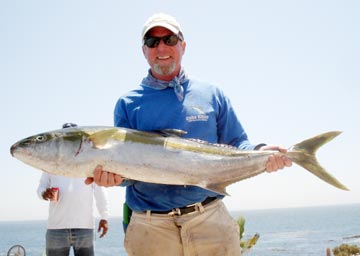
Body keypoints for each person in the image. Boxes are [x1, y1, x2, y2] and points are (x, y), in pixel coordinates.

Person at [85, 13, 292, 256]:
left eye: (170, 39)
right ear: (144, 51)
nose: (161, 47)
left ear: (183, 45)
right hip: (151, 228)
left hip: (209, 220)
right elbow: (128, 169)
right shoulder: (128, 104)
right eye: (152, 42)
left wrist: (260, 153)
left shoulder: (212, 94)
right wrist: (114, 177)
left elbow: (237, 143)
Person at [38, 123, 110, 256]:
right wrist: (44, 193)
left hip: (84, 228)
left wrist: (104, 217)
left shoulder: (89, 162)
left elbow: (100, 192)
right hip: (56, 228)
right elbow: (41, 187)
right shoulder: (51, 165)